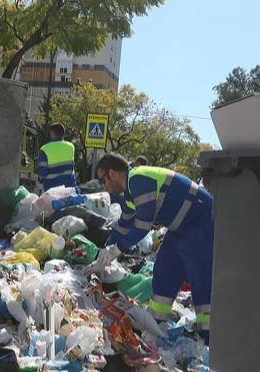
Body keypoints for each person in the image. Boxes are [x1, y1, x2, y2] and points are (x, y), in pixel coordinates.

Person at [90, 153, 214, 341]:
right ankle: (156, 324)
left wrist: (116, 250)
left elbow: (143, 225)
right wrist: (103, 253)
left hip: (200, 223)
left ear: (113, 173)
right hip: (180, 227)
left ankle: (208, 336)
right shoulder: (130, 193)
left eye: (102, 180)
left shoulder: (139, 180)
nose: (103, 186)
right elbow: (123, 226)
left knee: (199, 277)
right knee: (165, 268)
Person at [36, 123, 77, 190]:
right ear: (63, 134)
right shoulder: (71, 147)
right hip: (69, 188)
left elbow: (42, 173)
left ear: (51, 133)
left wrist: (40, 180)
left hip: (52, 190)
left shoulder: (44, 149)